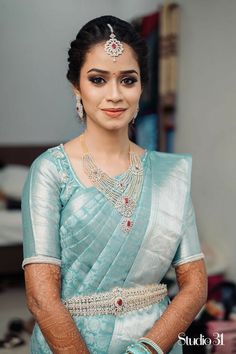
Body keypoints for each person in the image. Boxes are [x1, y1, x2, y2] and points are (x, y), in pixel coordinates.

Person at [22, 15, 207, 354]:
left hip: (157, 344)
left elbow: (195, 285)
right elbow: (40, 298)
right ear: (76, 87)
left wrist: (149, 348)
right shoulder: (51, 171)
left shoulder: (170, 174)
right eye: (98, 79)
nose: (114, 94)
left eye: (127, 80)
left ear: (141, 87)